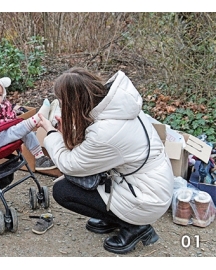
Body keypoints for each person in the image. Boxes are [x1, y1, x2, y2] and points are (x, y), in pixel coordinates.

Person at [37, 67, 174, 254]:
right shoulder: (117, 107)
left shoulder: (106, 131)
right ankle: (114, 217)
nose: (61, 106)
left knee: (63, 190)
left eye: (62, 102)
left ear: (74, 101)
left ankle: (135, 227)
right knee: (76, 181)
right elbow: (93, 144)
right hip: (149, 184)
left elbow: (69, 164)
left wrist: (51, 133)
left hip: (147, 199)